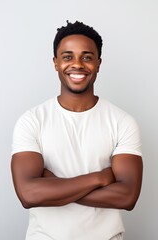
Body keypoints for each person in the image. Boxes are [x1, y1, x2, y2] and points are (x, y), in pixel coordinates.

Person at [11, 21, 143, 240]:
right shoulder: (32, 120)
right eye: (68, 56)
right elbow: (29, 194)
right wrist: (100, 177)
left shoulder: (122, 121)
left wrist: (55, 187)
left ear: (99, 63)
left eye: (87, 57)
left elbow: (127, 197)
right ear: (56, 62)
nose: (77, 64)